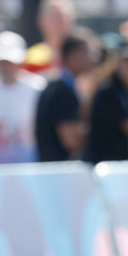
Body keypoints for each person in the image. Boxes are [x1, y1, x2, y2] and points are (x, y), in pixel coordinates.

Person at [0, 31, 45, 164]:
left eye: (10, 62)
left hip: (28, 166)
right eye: (2, 62)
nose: (6, 67)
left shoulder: (37, 88)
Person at [35, 29, 98, 162]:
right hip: (58, 175)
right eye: (88, 52)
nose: (93, 58)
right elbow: (71, 141)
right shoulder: (61, 91)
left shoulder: (61, 86)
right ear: (73, 55)